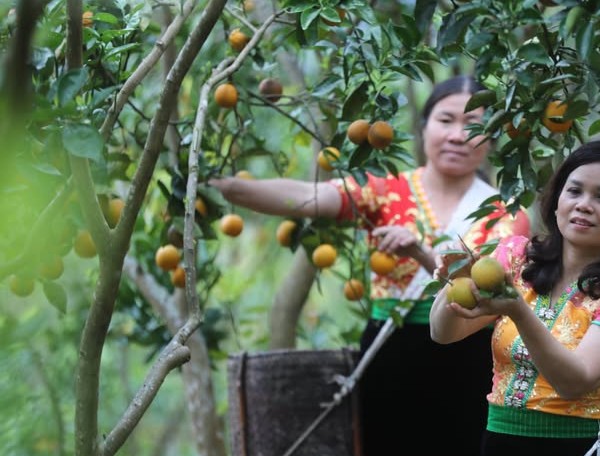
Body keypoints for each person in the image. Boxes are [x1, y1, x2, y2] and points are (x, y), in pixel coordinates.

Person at [209, 75, 530, 456]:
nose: (458, 135)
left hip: (471, 353)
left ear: (491, 139)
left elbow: (485, 293)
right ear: (424, 126)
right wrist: (227, 188)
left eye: (473, 125)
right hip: (391, 350)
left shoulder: (506, 212)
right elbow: (311, 198)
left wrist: (421, 254)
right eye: (446, 120)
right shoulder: (384, 189)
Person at [430, 140, 600, 456]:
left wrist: (518, 311)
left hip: (579, 447)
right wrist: (458, 277)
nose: (584, 204)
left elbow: (574, 382)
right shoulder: (516, 259)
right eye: (574, 191)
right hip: (500, 443)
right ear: (557, 201)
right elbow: (443, 333)